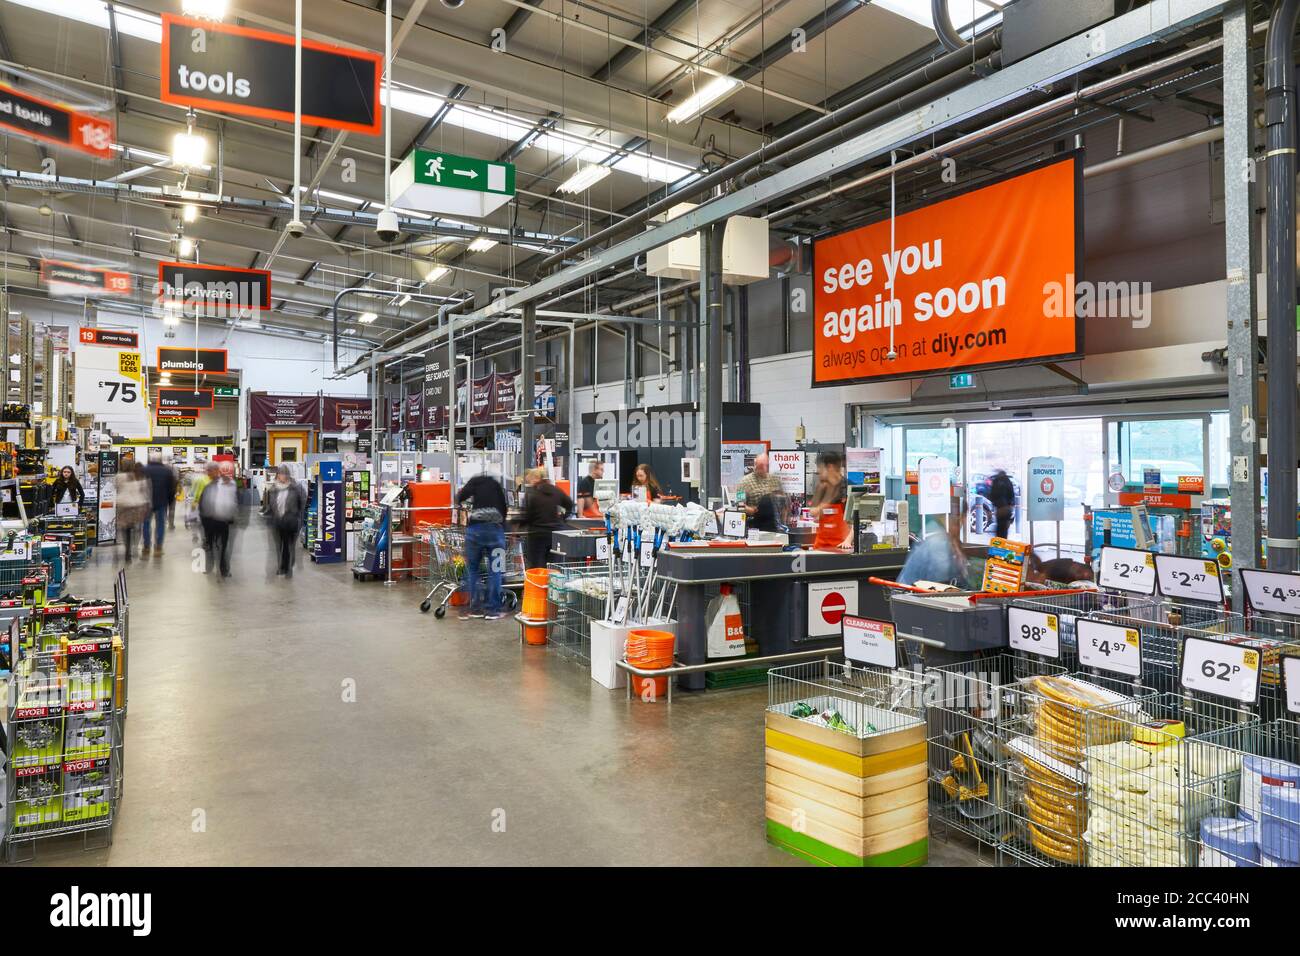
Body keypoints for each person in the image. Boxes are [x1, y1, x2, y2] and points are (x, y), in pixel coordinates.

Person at [455, 469, 508, 620]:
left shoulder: (474, 482)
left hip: (475, 530)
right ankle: (493, 610)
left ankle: (474, 608)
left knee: (472, 570)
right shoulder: (496, 485)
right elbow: (504, 509)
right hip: (495, 531)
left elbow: (459, 497)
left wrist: (462, 506)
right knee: (496, 570)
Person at [898, 499, 973, 588]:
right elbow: (940, 585)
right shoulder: (938, 542)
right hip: (912, 596)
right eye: (958, 517)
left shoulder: (947, 537)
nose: (962, 522)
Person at [519, 467, 573, 570]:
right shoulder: (556, 490)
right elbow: (569, 504)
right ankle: (551, 585)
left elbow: (527, 516)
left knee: (537, 567)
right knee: (553, 566)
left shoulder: (532, 494)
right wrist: (562, 519)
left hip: (537, 535)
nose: (529, 481)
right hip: (555, 534)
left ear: (536, 478)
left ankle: (539, 585)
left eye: (530, 479)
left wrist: (518, 525)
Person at [199, 461, 239, 577]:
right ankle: (212, 567)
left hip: (222, 520)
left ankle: (223, 569)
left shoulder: (227, 483)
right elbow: (202, 504)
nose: (208, 473)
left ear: (217, 470)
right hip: (210, 521)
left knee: (222, 546)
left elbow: (233, 501)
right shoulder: (209, 486)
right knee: (210, 545)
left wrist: (231, 517)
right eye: (207, 471)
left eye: (210, 471)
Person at [267, 466, 305, 578]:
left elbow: (302, 501)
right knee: (279, 546)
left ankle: (288, 568)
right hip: (278, 521)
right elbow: (270, 505)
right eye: (280, 474)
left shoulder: (295, 488)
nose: (282, 476)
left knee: (289, 546)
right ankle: (281, 566)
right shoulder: (273, 489)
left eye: (284, 474)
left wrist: (296, 514)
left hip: (291, 521)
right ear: (277, 475)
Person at [809, 450, 850, 551]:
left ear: (830, 467)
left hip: (842, 544)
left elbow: (856, 520)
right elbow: (812, 512)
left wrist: (848, 541)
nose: (818, 471)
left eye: (820, 467)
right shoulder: (821, 487)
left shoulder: (848, 487)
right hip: (821, 544)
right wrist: (826, 503)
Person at [140, 453, 177, 556]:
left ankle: (146, 547)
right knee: (160, 524)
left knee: (146, 524)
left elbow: (140, 487)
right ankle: (158, 548)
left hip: (146, 502)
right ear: (160, 460)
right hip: (162, 502)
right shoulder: (167, 471)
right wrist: (170, 502)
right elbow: (171, 488)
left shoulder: (144, 469)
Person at [115, 461, 150, 563]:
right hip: (135, 505)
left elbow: (116, 488)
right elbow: (143, 491)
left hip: (123, 505)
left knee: (124, 529)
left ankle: (127, 550)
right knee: (135, 528)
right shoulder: (139, 476)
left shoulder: (119, 477)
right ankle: (134, 547)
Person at [735, 453, 783, 518]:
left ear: (768, 465)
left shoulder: (775, 481)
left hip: (774, 523)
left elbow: (783, 504)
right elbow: (739, 506)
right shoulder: (744, 482)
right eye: (759, 465)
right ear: (755, 464)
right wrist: (752, 510)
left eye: (764, 465)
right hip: (754, 523)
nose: (761, 467)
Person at [988, 469, 1016, 539]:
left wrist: (994, 504)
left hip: (999, 508)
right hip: (1007, 508)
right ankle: (1004, 542)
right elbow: (1012, 495)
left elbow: (992, 495)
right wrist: (1010, 505)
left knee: (999, 526)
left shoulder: (996, 481)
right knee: (1005, 528)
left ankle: (998, 543)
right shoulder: (1008, 481)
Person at [165, 456, 181, 529]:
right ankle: (171, 524)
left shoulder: (163, 468)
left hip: (164, 492)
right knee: (172, 509)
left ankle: (164, 521)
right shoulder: (176, 469)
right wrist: (178, 491)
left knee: (164, 508)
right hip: (172, 491)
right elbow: (177, 481)